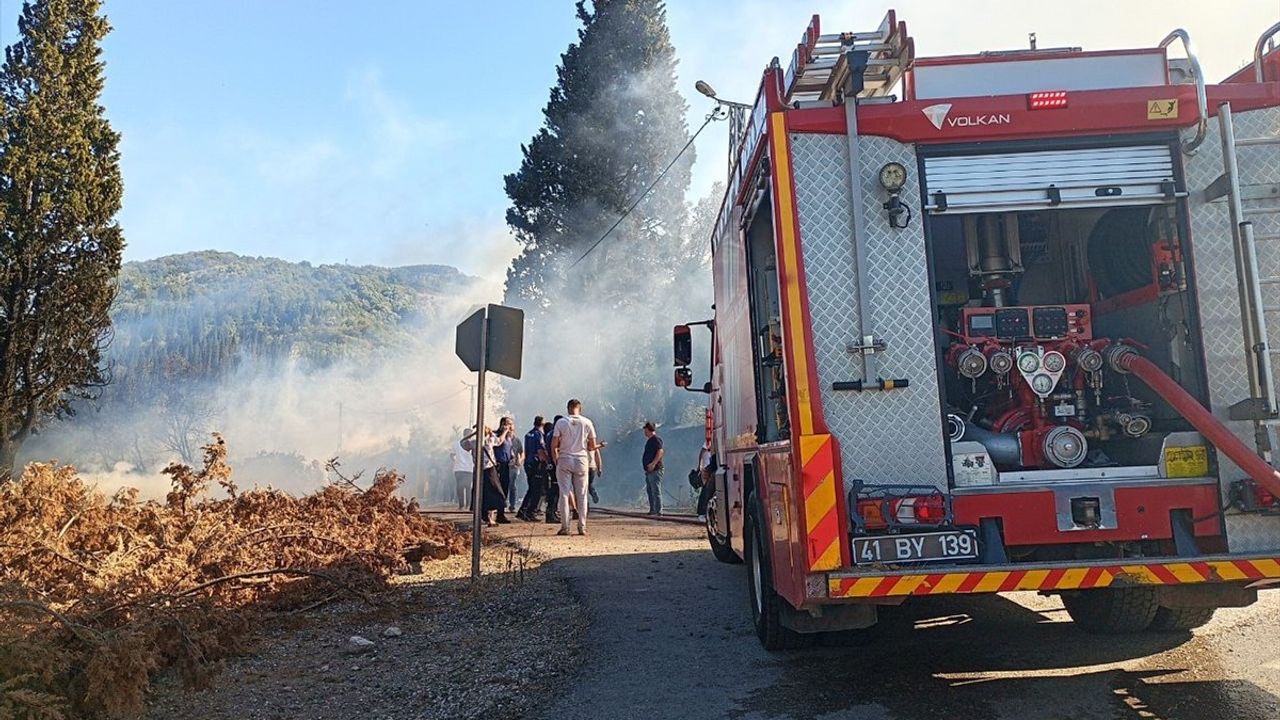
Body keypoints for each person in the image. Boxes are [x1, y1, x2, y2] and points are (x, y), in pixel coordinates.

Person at [551, 400, 600, 536]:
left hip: (565, 458)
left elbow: (554, 445)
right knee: (582, 494)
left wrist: (556, 460)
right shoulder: (587, 422)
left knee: (564, 493)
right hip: (581, 460)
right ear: (580, 409)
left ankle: (565, 526)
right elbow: (592, 446)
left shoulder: (561, 422)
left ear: (568, 408)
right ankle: (582, 526)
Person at [462, 426, 508, 526]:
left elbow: (463, 443)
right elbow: (500, 440)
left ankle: (485, 517)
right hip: (489, 470)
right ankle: (490, 519)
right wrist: (505, 431)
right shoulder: (490, 440)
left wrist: (473, 434)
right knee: (494, 494)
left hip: (478, 471)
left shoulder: (474, 442)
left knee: (481, 495)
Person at [517, 416, 546, 520]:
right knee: (536, 490)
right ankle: (530, 512)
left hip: (528, 463)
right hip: (536, 464)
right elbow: (540, 451)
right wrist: (546, 461)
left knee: (531, 488)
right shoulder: (539, 435)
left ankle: (522, 510)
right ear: (542, 424)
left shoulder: (528, 434)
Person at [493, 417, 516, 514]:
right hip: (498, 465)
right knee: (498, 489)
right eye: (508, 424)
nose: (510, 427)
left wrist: (513, 457)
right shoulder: (497, 435)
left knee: (505, 488)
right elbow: (497, 443)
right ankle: (495, 511)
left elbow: (509, 450)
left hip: (506, 465)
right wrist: (504, 432)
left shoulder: (509, 438)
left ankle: (501, 512)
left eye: (511, 424)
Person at [641, 421, 665, 515]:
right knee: (650, 490)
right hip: (649, 471)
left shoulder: (656, 440)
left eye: (645, 430)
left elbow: (660, 451)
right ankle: (653, 510)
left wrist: (653, 463)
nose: (644, 432)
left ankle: (658, 511)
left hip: (655, 470)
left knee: (655, 490)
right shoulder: (650, 441)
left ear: (649, 430)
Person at [543, 418, 561, 524]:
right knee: (555, 489)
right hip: (555, 464)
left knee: (554, 489)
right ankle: (551, 513)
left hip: (551, 463)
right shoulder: (555, 434)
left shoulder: (549, 433)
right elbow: (555, 449)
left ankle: (551, 512)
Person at [451, 431, 474, 510]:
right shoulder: (473, 444)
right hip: (465, 469)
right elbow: (452, 455)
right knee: (466, 487)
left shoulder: (457, 444)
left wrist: (455, 461)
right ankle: (465, 505)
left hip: (463, 469)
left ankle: (464, 505)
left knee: (462, 487)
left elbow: (452, 455)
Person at [695, 441, 716, 522]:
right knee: (706, 491)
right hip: (707, 468)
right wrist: (700, 465)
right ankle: (702, 513)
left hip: (710, 467)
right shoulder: (709, 441)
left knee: (708, 491)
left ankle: (705, 512)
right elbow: (702, 451)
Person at [508, 432, 525, 514]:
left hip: (513, 466)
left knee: (512, 485)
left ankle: (512, 505)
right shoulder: (502, 439)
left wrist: (520, 461)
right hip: (504, 465)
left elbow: (522, 452)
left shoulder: (516, 440)